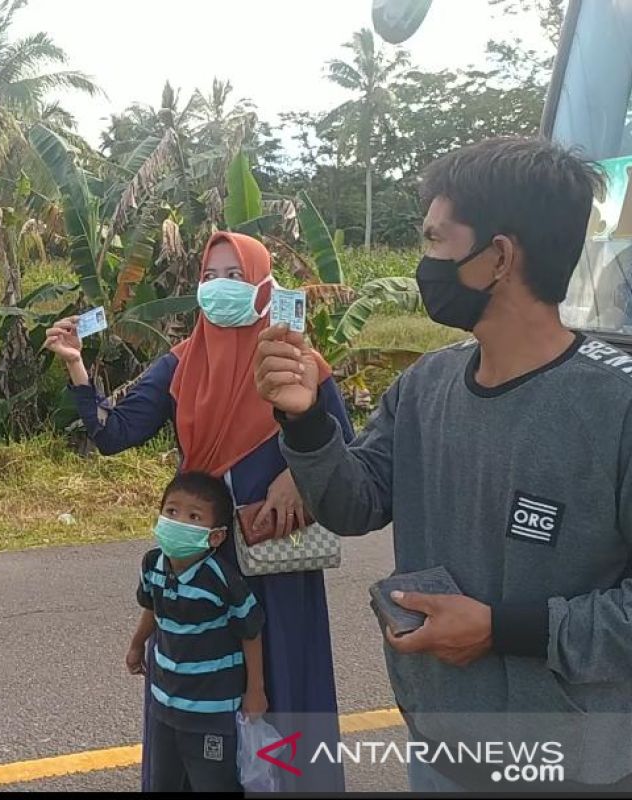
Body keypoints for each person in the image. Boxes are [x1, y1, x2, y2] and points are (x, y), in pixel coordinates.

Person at [254, 136, 632, 791]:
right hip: (442, 747)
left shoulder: (617, 407)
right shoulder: (427, 383)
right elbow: (353, 503)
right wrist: (307, 419)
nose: (422, 262)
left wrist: (505, 631)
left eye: (434, 240)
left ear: (499, 257)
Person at [46, 231, 353, 792]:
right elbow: (114, 433)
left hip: (273, 558)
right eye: (209, 276)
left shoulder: (295, 358)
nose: (218, 287)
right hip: (200, 557)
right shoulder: (182, 363)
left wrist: (297, 476)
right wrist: (76, 368)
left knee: (278, 687)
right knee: (194, 694)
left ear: (263, 284)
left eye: (234, 276)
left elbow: (345, 450)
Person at [127, 472, 265, 792]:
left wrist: (255, 690)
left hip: (211, 711)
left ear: (215, 537)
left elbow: (251, 631)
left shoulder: (221, 580)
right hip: (164, 703)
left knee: (213, 783)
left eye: (193, 516)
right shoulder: (152, 565)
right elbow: (152, 609)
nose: (178, 522)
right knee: (164, 782)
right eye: (171, 512)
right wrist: (136, 645)